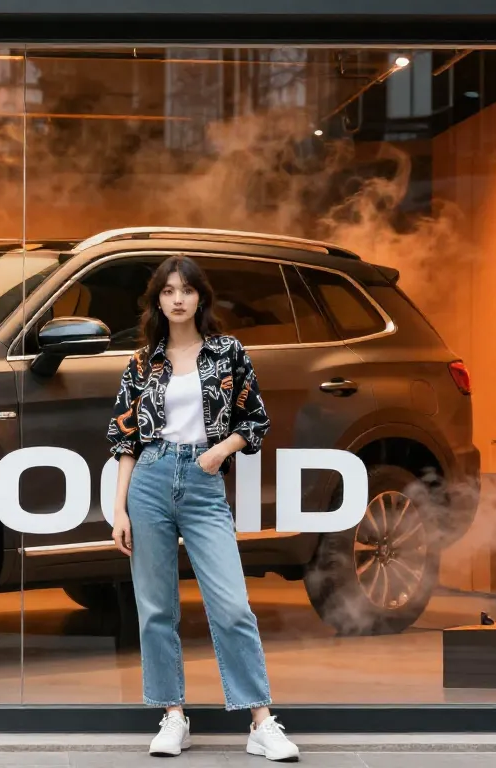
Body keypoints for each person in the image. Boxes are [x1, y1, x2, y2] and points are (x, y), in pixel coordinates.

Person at [105, 254, 299, 762]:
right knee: (156, 609)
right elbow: (125, 440)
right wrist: (119, 509)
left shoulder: (227, 352)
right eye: (168, 291)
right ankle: (173, 715)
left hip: (203, 480)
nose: (177, 299)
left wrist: (219, 451)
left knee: (232, 606)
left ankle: (261, 721)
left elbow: (255, 420)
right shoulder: (142, 362)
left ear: (200, 298)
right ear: (157, 301)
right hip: (149, 478)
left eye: (186, 290)